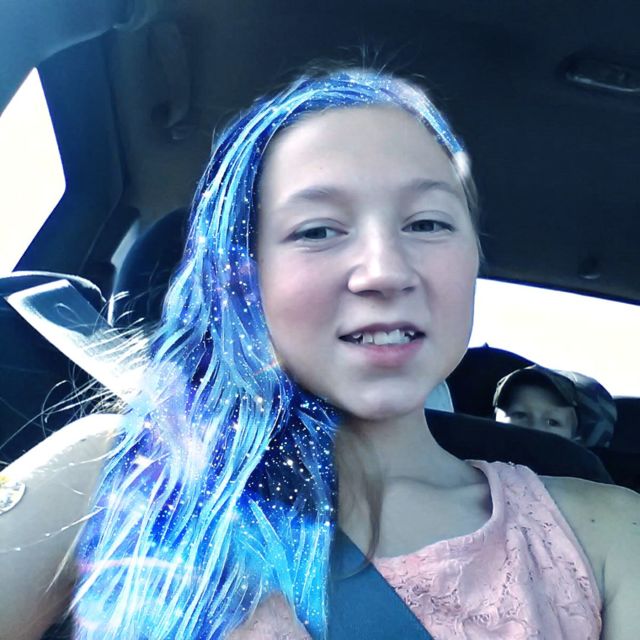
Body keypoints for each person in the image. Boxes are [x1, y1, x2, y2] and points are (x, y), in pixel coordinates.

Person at [1, 68, 639, 640]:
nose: (385, 271)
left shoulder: (610, 534)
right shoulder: (115, 471)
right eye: (317, 230)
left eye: (427, 223)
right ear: (242, 278)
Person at [493, 364, 617, 447]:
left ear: (575, 441)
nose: (534, 429)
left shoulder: (579, 479)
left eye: (552, 422)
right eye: (520, 415)